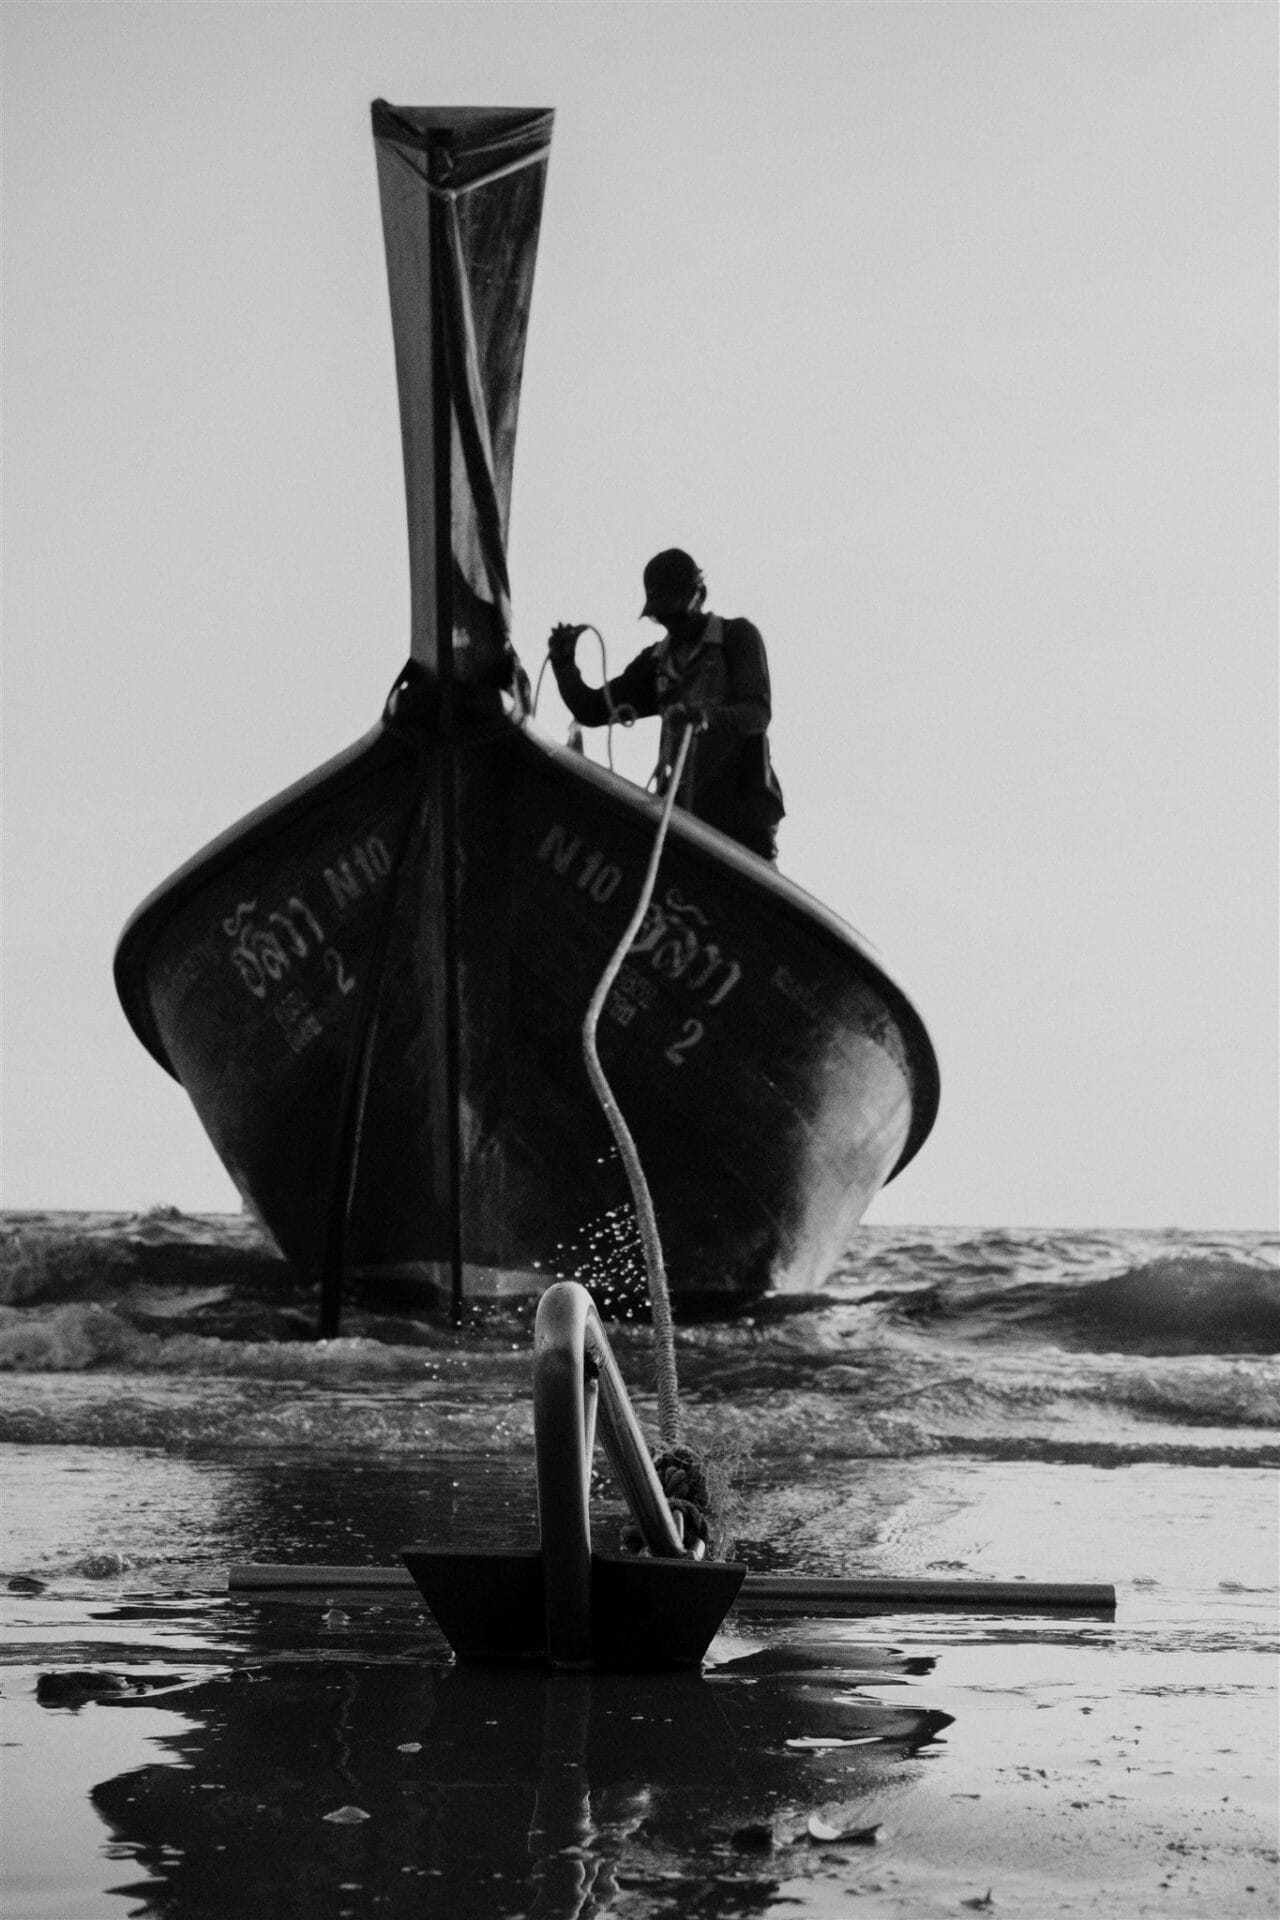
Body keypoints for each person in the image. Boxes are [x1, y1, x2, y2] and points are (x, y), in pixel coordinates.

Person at [547, 549, 785, 862]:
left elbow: (757, 713)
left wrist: (703, 718)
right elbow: (592, 710)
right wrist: (564, 666)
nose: (671, 624)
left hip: (741, 822)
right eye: (661, 616)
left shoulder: (736, 637)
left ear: (699, 595)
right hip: (681, 819)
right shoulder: (656, 662)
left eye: (676, 612)